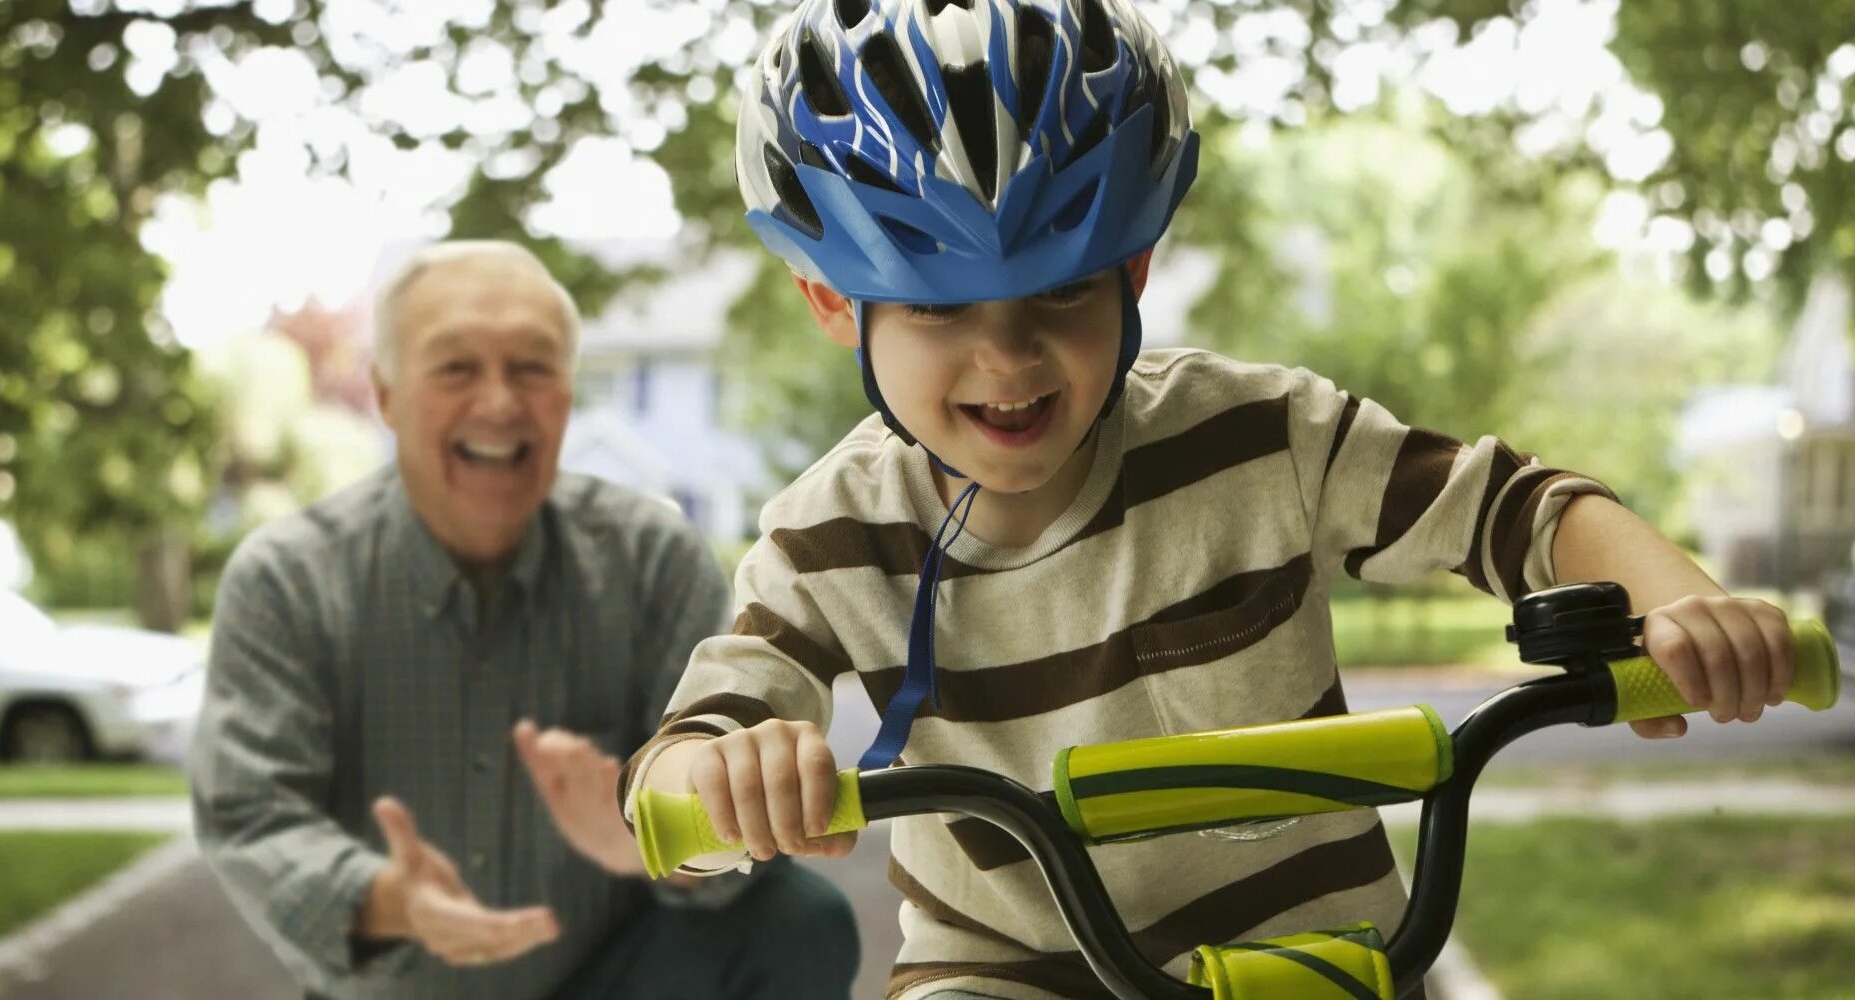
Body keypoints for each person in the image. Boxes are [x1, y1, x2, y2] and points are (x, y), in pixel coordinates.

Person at [616, 3, 1798, 999]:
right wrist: (722, 779)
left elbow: (1514, 506)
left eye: (1063, 288)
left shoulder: (1260, 436)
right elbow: (689, 752)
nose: (1009, 358)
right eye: (935, 308)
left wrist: (1680, 602)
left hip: (1319, 957)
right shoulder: (826, 539)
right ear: (834, 303)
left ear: (1132, 268)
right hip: (1008, 975)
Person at [190, 241, 858, 1000]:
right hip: (395, 986)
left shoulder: (653, 558)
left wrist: (651, 835)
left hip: (610, 976)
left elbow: (721, 841)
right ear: (386, 394)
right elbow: (251, 814)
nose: (501, 401)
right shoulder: (288, 578)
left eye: (533, 367)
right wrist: (383, 900)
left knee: (799, 921)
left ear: (568, 395)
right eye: (456, 367)